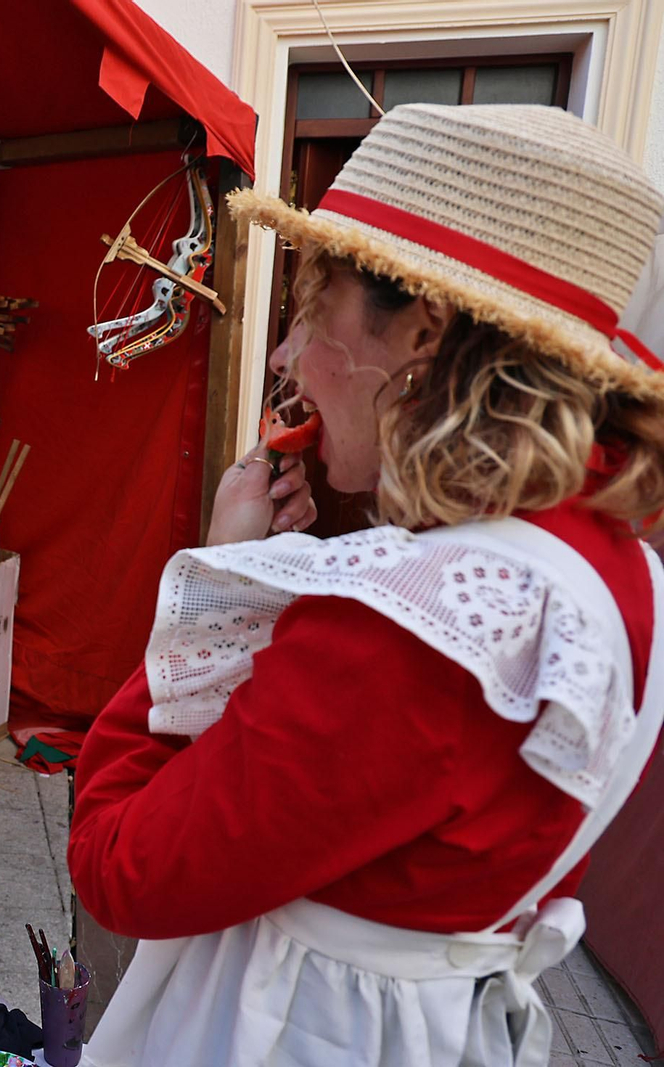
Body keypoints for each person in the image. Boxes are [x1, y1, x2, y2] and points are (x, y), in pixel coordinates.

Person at [70, 104, 664, 1067]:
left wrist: (219, 589)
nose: (282, 358)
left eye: (313, 309)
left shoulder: (408, 635)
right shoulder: (617, 570)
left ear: (422, 334)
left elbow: (120, 861)